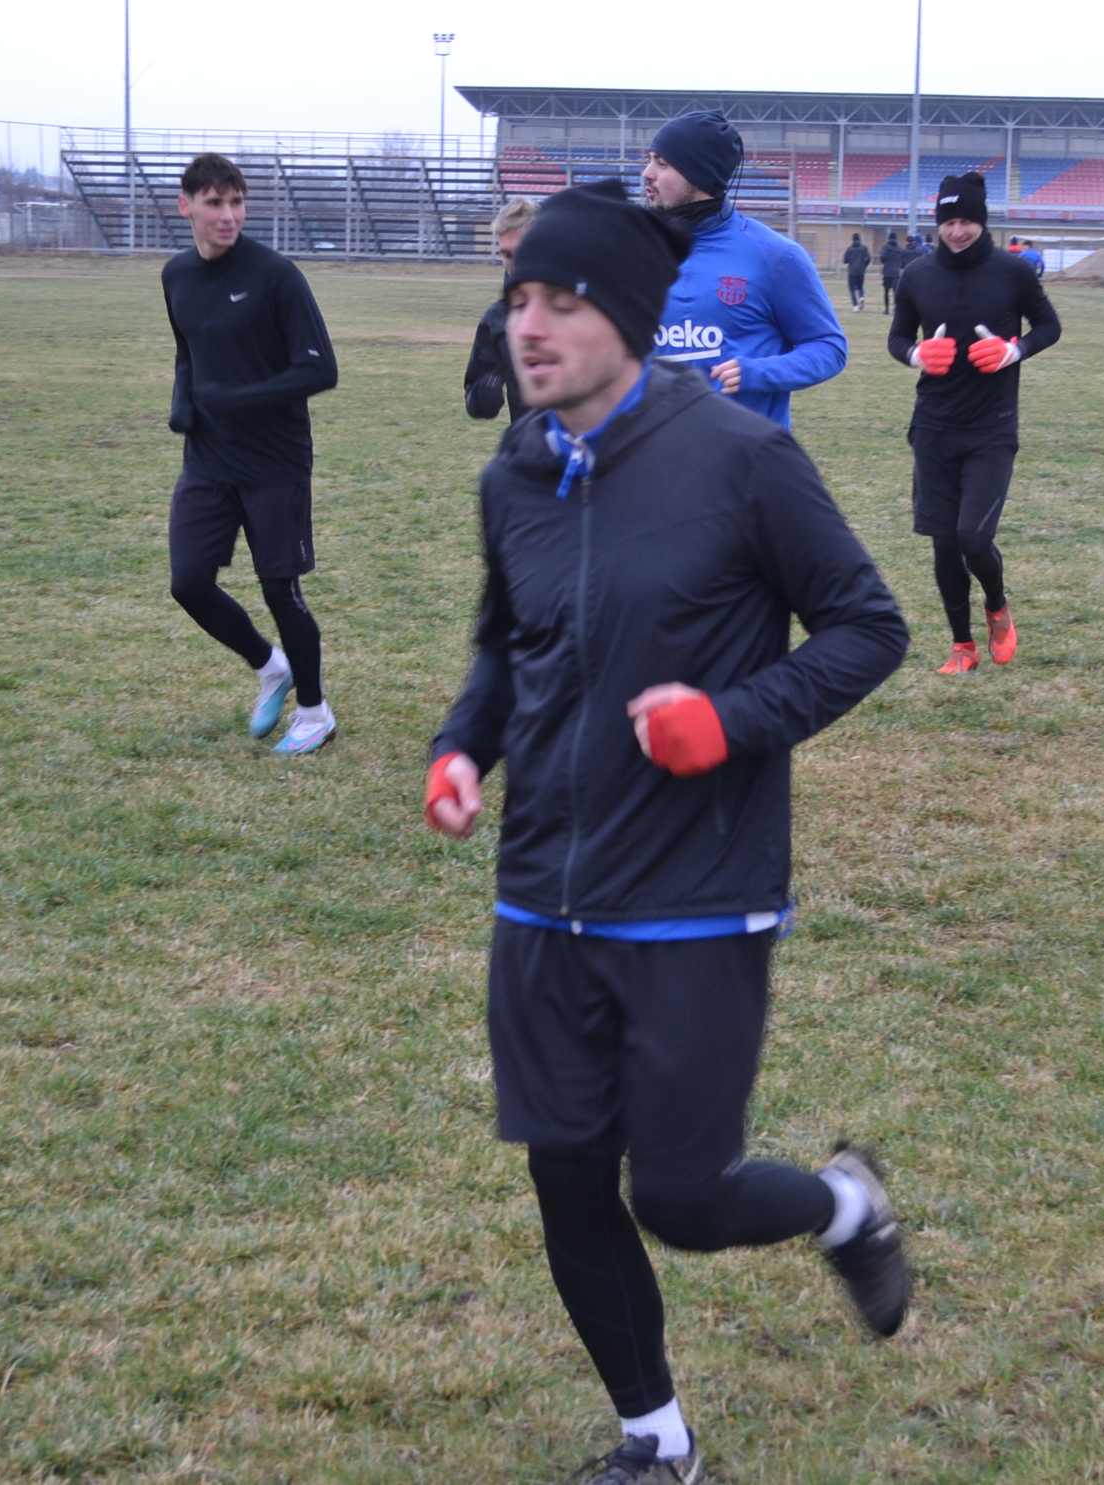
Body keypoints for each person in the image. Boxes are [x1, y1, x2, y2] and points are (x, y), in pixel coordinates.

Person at [424, 179, 912, 1484]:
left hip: (696, 888)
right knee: (567, 1179)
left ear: (630, 318)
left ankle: (845, 1206)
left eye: (561, 301)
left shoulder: (743, 459)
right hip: (541, 890)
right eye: (518, 299)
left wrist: (730, 721)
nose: (528, 326)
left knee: (682, 1199)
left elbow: (869, 626)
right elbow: (506, 646)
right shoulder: (517, 470)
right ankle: (657, 1438)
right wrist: (462, 748)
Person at [161, 152, 340, 754]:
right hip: (207, 459)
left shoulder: (275, 275)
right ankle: (270, 666)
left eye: (236, 202)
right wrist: (184, 404)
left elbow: (320, 369)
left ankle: (314, 714)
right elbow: (188, 350)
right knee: (189, 583)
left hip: (274, 461)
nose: (228, 215)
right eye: (214, 203)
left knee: (279, 591)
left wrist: (236, 400)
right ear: (186, 206)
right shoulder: (176, 276)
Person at [888, 171, 1060, 674]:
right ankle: (962, 646)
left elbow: (1049, 326)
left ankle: (997, 605)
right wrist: (917, 354)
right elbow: (897, 338)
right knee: (944, 542)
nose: (957, 231)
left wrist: (1014, 350)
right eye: (949, 221)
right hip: (933, 425)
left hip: (992, 425)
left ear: (982, 222)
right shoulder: (917, 275)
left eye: (967, 221)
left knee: (973, 538)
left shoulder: (1013, 272)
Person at [641, 109, 846, 428]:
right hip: (654, 451)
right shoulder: (634, 249)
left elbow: (829, 348)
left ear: (699, 174)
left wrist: (758, 372)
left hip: (747, 453)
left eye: (662, 163)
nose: (647, 173)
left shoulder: (775, 256)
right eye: (650, 160)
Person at [463, 196, 538, 422]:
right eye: (507, 254)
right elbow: (474, 394)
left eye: (522, 251)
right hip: (530, 440)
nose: (514, 262)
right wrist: (484, 392)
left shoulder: (581, 306)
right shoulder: (497, 319)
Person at [842, 231, 871, 311]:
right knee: (860, 286)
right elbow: (868, 258)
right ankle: (861, 296)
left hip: (852, 271)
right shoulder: (864, 248)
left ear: (852, 239)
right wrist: (864, 265)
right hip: (861, 270)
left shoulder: (849, 249)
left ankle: (855, 306)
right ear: (859, 239)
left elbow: (845, 260)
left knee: (852, 289)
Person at [879, 229, 905, 314]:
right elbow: (903, 262)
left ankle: (886, 309)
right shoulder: (900, 249)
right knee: (895, 292)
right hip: (896, 273)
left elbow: (882, 258)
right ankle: (896, 309)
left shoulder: (885, 247)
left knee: (886, 292)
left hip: (887, 272)